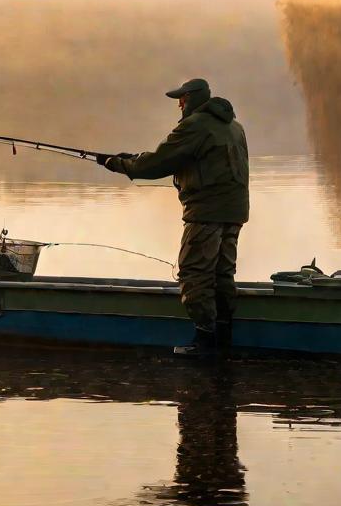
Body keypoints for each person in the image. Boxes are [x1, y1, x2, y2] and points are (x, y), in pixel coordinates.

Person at [95, 79, 249, 356]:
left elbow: (157, 163)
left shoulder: (195, 125)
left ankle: (205, 341)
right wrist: (135, 158)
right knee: (222, 273)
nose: (179, 103)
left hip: (206, 211)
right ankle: (224, 336)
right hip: (234, 210)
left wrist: (116, 163)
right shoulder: (233, 126)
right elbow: (180, 157)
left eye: (182, 98)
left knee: (195, 273)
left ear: (193, 98)